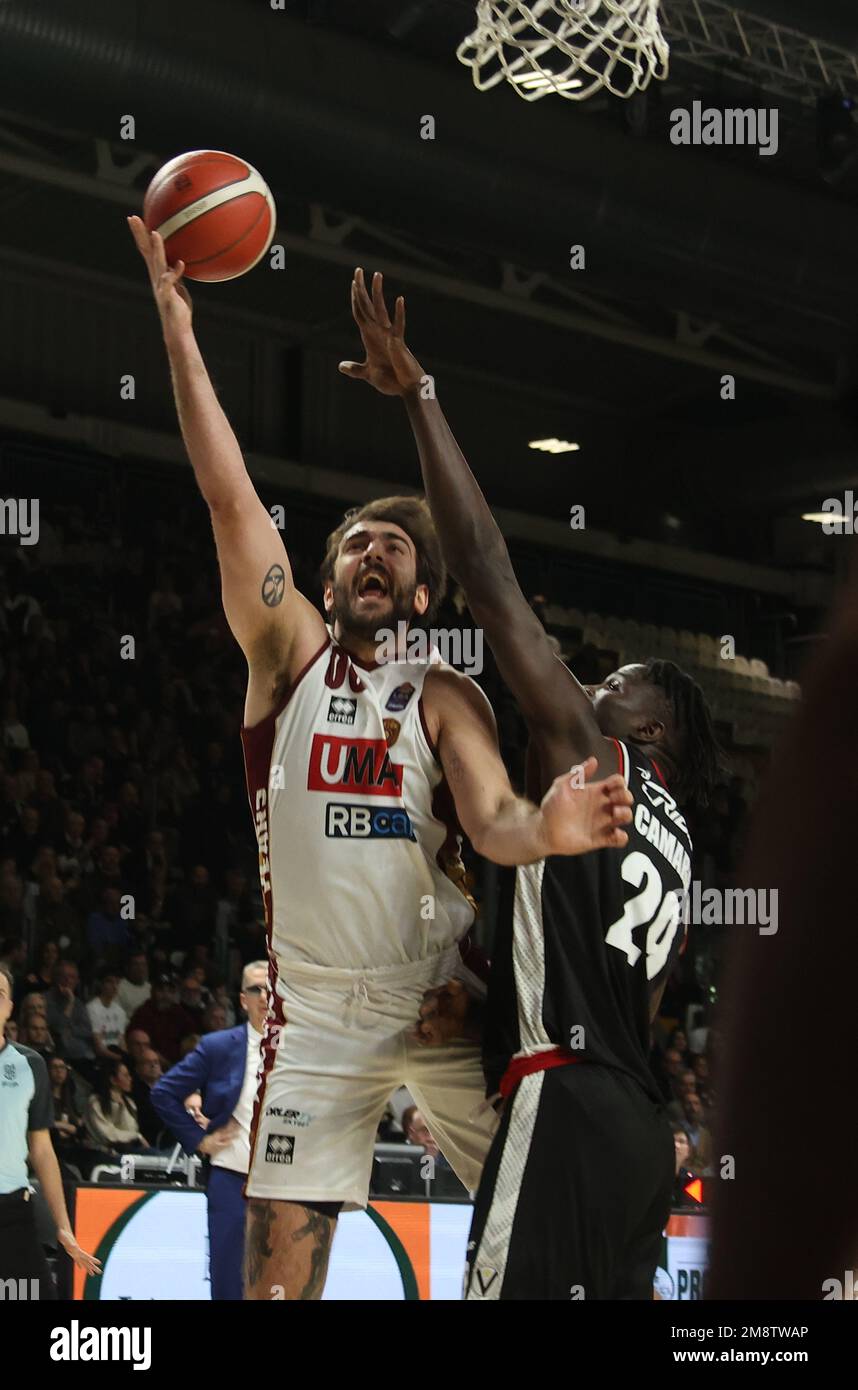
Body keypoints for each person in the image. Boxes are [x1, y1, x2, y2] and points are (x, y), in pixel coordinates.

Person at [128, 217, 634, 1301]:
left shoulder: (446, 695)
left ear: (419, 598)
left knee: (548, 1212)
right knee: (279, 1286)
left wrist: (545, 830)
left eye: (395, 548)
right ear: (326, 576)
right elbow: (227, 497)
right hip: (310, 1015)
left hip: (437, 999)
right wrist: (179, 330)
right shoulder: (285, 660)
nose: (372, 550)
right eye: (355, 538)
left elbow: (495, 820)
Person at [341, 267, 723, 1300]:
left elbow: (487, 569)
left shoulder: (598, 757)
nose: (586, 689)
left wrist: (419, 396)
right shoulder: (677, 839)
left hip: (564, 1105)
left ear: (648, 729)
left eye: (610, 685)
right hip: (641, 1135)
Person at [150, 961, 268, 1300]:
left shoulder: (300, 1049)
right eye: (255, 989)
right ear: (243, 1000)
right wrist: (199, 1139)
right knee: (229, 1282)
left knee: (283, 1281)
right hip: (232, 1177)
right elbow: (163, 1092)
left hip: (285, 1182)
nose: (264, 995)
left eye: (270, 987)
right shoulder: (218, 1046)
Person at [0, 963, 99, 1289]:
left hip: (12, 1211)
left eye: (0, 994)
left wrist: (63, 1226)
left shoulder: (30, 1065)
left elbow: (42, 1150)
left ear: (10, 1007)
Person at [128, 974, 197, 1065]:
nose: (166, 995)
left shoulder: (179, 1012)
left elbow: (192, 1037)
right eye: (161, 990)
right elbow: (137, 1044)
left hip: (178, 1064)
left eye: (170, 991)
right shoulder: (143, 1013)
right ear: (152, 992)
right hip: (150, 1063)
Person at [84, 1058, 148, 1156]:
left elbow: (130, 1128)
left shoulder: (128, 1102)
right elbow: (108, 1136)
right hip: (102, 1153)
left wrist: (120, 1107)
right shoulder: (95, 1102)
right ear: (113, 1080)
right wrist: (136, 1136)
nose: (130, 1079)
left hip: (126, 1150)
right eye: (126, 1075)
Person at [44, 960, 97, 1079]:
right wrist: (70, 1004)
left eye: (72, 977)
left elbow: (87, 1031)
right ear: (56, 978)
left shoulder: (79, 1004)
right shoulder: (45, 1000)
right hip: (60, 1057)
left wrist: (69, 1028)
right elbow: (58, 1029)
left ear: (77, 981)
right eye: (64, 976)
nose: (68, 981)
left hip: (82, 1057)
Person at [86, 971, 128, 1056]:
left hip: (117, 1054)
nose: (115, 986)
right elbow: (98, 1046)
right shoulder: (92, 1008)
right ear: (101, 984)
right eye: (110, 982)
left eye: (117, 982)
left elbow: (121, 1041)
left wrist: (125, 1057)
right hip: (101, 1057)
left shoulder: (120, 1011)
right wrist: (119, 1058)